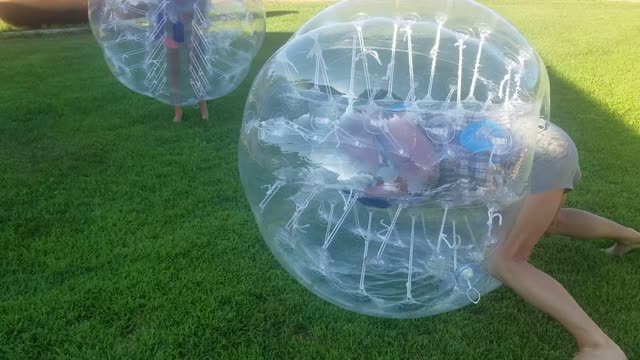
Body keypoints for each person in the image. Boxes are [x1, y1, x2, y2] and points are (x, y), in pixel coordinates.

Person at [486, 120, 639, 359]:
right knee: (551, 222)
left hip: (540, 154)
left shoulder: (409, 139)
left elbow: (429, 176)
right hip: (544, 140)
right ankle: (632, 238)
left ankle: (599, 346)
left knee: (506, 260)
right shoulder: (412, 123)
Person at [162, 0, 209, 123]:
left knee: (196, 68)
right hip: (171, 28)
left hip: (191, 29)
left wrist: (198, 22)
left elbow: (202, 6)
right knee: (174, 69)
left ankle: (203, 106)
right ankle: (178, 109)